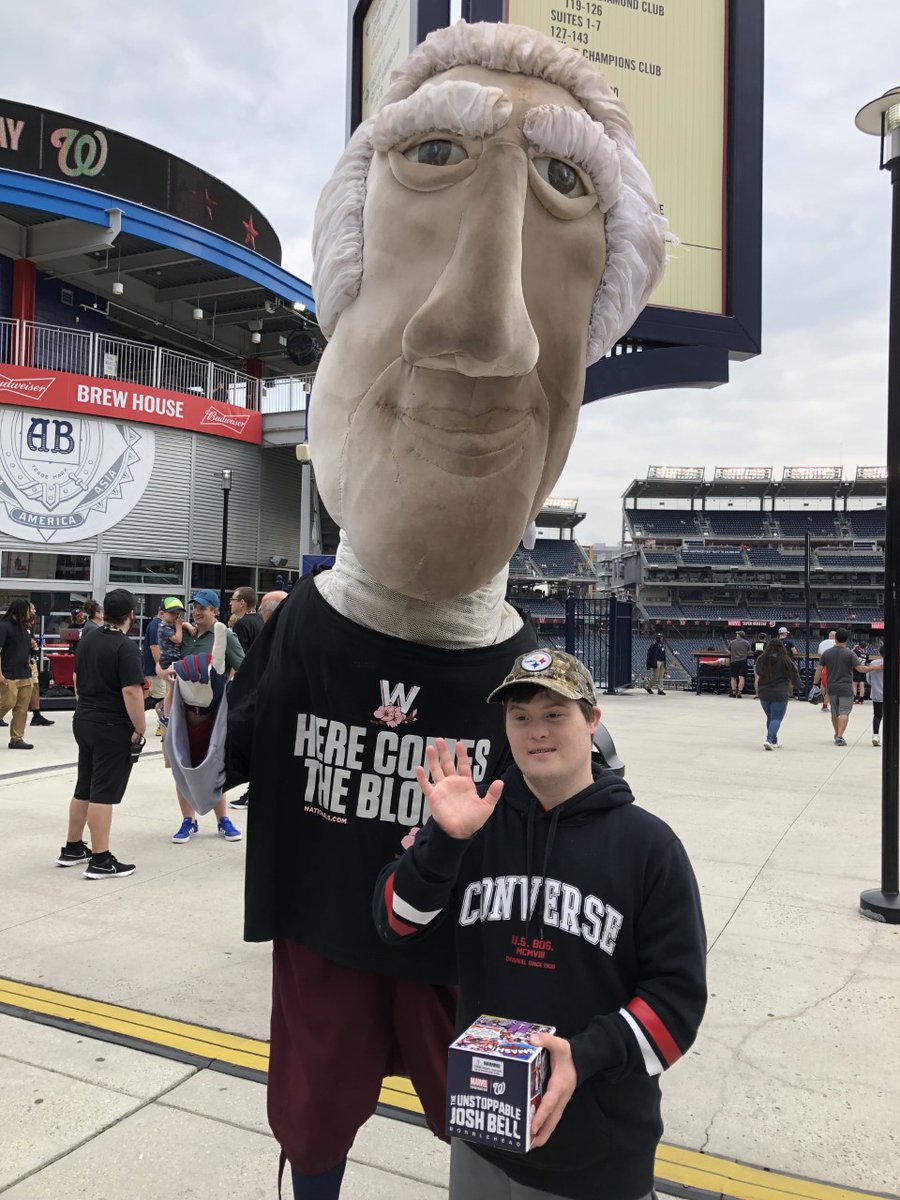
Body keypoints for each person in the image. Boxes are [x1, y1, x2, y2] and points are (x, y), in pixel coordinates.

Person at [222, 20, 667, 1197]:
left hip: (463, 945)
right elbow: (219, 764)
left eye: (562, 184)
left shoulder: (527, 667)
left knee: (492, 1134)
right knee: (314, 1132)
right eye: (434, 161)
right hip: (326, 926)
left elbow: (592, 800)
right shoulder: (303, 626)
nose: (483, 330)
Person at [375, 650, 707, 1200]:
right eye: (521, 717)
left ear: (593, 720)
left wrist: (586, 1054)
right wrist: (443, 844)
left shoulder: (650, 848)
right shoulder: (473, 824)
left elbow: (677, 1004)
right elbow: (395, 924)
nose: (537, 732)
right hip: (483, 1134)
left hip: (596, 1155)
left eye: (556, 714)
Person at [56, 588, 146, 877]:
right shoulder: (126, 647)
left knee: (85, 785)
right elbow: (132, 691)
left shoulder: (88, 638)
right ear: (131, 614)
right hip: (111, 725)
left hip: (84, 720)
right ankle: (101, 859)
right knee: (103, 793)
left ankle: (72, 848)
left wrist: (87, 710)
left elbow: (77, 680)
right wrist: (140, 727)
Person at [170, 590, 244, 845]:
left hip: (214, 713)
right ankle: (188, 820)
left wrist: (230, 699)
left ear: (214, 610)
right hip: (184, 711)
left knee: (214, 765)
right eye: (195, 608)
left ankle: (223, 819)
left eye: (203, 608)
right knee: (182, 764)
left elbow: (244, 670)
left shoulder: (225, 636)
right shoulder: (187, 637)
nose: (197, 612)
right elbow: (164, 665)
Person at [813, 628, 864, 747]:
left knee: (834, 712)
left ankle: (836, 733)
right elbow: (860, 669)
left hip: (832, 686)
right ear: (847, 639)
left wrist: (815, 684)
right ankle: (840, 736)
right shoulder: (850, 653)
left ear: (835, 638)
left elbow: (819, 669)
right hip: (845, 687)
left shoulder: (827, 653)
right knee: (844, 712)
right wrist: (875, 667)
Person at [0, 598, 36, 749]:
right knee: (7, 702)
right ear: (22, 610)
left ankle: (16, 738)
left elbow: (25, 648)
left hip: (25, 673)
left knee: (22, 708)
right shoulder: (5, 627)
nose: (31, 612)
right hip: (9, 673)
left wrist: (33, 646)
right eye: (29, 610)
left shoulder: (26, 628)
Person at [753, 639, 802, 749]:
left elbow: (758, 672)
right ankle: (769, 739)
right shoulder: (786, 660)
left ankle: (774, 741)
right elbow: (794, 676)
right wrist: (802, 688)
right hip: (779, 693)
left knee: (770, 717)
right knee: (776, 718)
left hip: (764, 692)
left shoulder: (761, 659)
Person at [25, 603, 54, 729]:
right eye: (33, 609)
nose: (35, 611)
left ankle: (36, 715)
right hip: (22, 662)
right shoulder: (18, 625)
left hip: (31, 660)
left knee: (35, 686)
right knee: (13, 691)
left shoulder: (30, 625)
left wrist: (34, 645)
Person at [854, 643, 884, 746]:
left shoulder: (874, 663)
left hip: (877, 692)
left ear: (879, 653)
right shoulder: (895, 662)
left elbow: (869, 679)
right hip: (891, 695)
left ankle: (875, 734)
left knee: (877, 715)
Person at [142, 605, 166, 729]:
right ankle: (163, 725)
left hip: (154, 669)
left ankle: (162, 724)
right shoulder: (156, 625)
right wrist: (160, 667)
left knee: (160, 697)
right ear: (161, 613)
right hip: (155, 670)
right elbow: (154, 647)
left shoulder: (157, 625)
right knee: (160, 698)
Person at [230, 587, 264, 652]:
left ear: (242, 603)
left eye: (233, 599)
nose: (230, 603)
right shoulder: (260, 619)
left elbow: (239, 655)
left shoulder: (241, 624)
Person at [816, 630, 837, 712]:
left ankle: (823, 699)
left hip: (824, 666)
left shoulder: (822, 643)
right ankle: (827, 704)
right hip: (834, 666)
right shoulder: (836, 643)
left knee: (823, 684)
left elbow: (820, 656)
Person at [727, 630, 751, 698]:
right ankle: (739, 693)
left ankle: (734, 692)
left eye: (737, 634)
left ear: (738, 635)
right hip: (743, 661)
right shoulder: (746, 643)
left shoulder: (732, 642)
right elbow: (749, 651)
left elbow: (729, 651)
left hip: (734, 661)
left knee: (733, 677)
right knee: (741, 677)